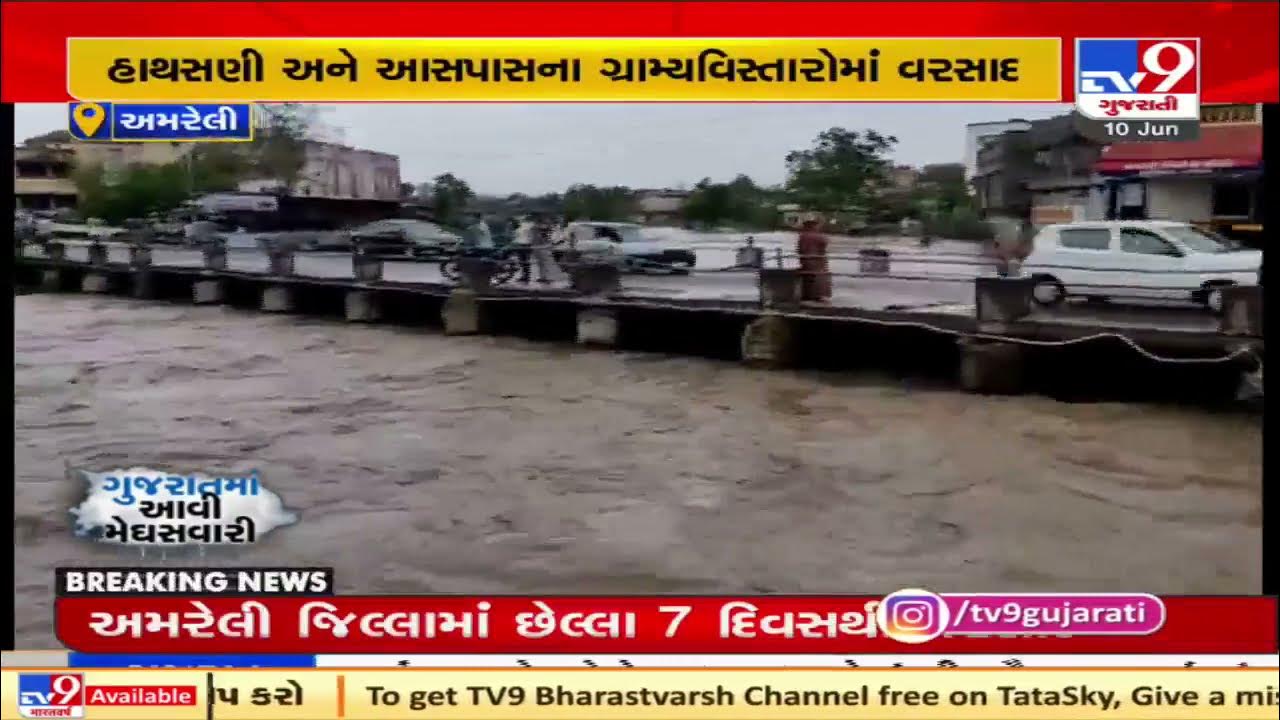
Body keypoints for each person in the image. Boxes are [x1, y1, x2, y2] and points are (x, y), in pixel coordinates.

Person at [796, 219, 832, 302]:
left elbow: (800, 249)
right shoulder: (818, 236)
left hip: (805, 260)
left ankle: (807, 295)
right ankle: (817, 295)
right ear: (814, 226)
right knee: (818, 277)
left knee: (807, 277)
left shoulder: (802, 236)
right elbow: (824, 244)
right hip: (817, 260)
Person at [530, 215, 557, 284]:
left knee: (541, 264)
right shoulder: (540, 229)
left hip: (536, 247)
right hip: (542, 247)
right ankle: (545, 277)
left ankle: (543, 277)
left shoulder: (534, 228)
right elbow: (545, 236)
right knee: (545, 263)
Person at [510, 215, 535, 283]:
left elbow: (531, 231)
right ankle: (524, 276)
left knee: (526, 262)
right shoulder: (516, 229)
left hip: (526, 245)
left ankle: (527, 277)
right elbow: (516, 238)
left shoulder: (525, 226)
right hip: (520, 245)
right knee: (522, 262)